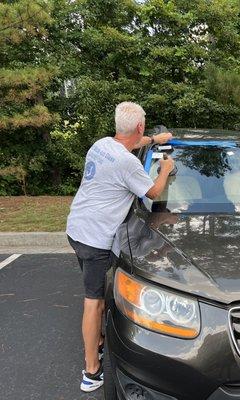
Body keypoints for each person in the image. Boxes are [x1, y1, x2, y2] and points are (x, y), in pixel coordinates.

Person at [66, 101, 175, 392]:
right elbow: (152, 192)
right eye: (144, 128)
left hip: (76, 228)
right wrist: (165, 168)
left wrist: (155, 140)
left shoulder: (101, 145)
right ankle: (91, 370)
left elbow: (134, 140)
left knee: (97, 289)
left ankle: (98, 339)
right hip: (94, 238)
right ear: (139, 126)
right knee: (95, 300)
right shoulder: (128, 163)